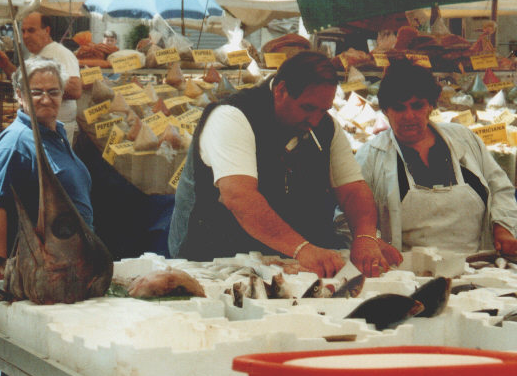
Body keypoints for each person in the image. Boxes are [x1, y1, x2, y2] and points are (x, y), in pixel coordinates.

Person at [169, 50, 401, 278]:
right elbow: (239, 197)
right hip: (215, 262)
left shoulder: (325, 126)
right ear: (281, 90)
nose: (315, 120)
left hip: (291, 264)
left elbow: (352, 190)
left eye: (324, 110)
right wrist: (302, 248)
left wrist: (365, 238)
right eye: (307, 108)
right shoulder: (232, 117)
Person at [354, 60, 517, 256]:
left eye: (417, 106)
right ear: (386, 111)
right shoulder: (370, 156)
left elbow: (500, 188)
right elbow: (349, 218)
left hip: (476, 265)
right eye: (399, 108)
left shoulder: (465, 139)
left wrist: (503, 227)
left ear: (431, 105)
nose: (409, 116)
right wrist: (376, 243)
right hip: (405, 273)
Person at [0, 57, 93, 280]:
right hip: (36, 275)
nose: (45, 99)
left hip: (69, 268)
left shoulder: (56, 135)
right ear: (19, 95)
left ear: (63, 95)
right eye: (36, 92)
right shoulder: (14, 143)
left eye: (53, 92)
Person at [0, 12, 82, 142]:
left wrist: (41, 84)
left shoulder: (60, 53)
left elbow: (75, 90)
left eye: (31, 30)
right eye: (23, 31)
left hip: (56, 131)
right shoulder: (34, 56)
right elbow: (24, 81)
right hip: (38, 128)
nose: (25, 36)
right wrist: (6, 65)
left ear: (47, 30)